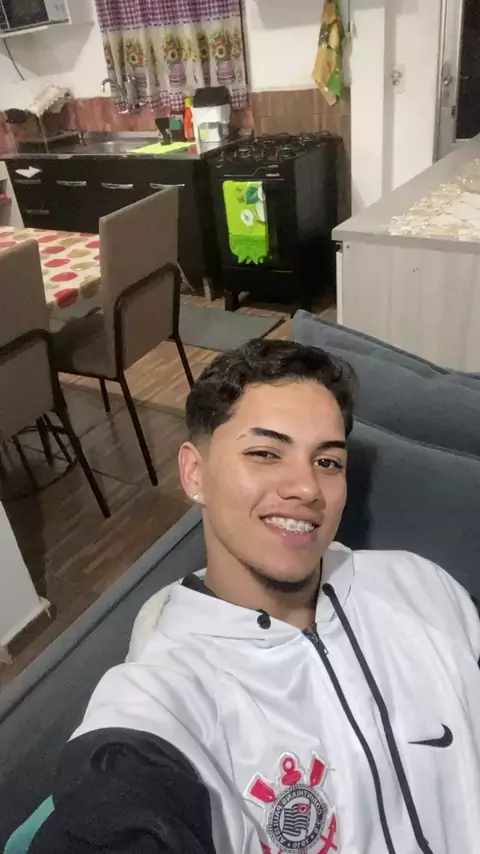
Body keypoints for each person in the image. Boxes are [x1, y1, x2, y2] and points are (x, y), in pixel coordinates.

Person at [31, 339, 480, 854]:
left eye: (328, 461)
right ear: (194, 473)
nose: (306, 487)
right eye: (266, 453)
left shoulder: (420, 585)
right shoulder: (164, 697)